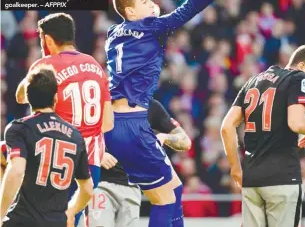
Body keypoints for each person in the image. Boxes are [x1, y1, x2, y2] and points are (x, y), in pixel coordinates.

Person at [104, 0, 245, 227]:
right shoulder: (152, 27)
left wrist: (150, 12)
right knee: (165, 200)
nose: (151, 3)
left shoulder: (113, 33)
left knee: (175, 187)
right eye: (145, 1)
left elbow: (138, 34)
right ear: (131, 10)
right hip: (133, 124)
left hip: (111, 123)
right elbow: (189, 7)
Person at [15, 12, 114, 226]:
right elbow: (108, 123)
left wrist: (38, 68)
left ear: (47, 39)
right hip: (89, 166)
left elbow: (21, 97)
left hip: (56, 160)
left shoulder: (46, 64)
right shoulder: (96, 66)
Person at [221, 45, 305, 227]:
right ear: (302, 66)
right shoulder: (298, 77)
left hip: (252, 178)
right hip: (282, 178)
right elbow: (296, 123)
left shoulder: (253, 81)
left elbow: (226, 127)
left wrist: (235, 168)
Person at [0, 65, 93, 227]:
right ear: (55, 98)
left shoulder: (20, 128)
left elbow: (17, 171)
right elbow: (87, 189)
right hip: (56, 222)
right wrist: (70, 212)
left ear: (28, 98)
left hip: (22, 220)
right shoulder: (75, 136)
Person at [79, 99, 191, 227]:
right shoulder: (96, 102)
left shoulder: (151, 106)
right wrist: (97, 153)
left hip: (132, 187)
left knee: (172, 191)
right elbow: (74, 135)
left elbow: (185, 141)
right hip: (101, 184)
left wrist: (165, 137)